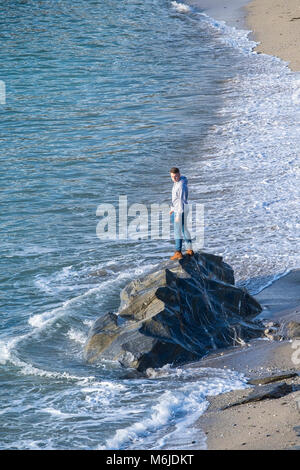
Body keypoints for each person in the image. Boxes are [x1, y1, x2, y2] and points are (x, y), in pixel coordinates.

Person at [169, 167, 194, 260]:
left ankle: (178, 252)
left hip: (180, 210)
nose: (174, 178)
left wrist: (178, 214)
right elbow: (176, 200)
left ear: (179, 174)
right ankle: (189, 250)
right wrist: (172, 208)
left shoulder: (180, 186)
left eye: (175, 176)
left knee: (177, 231)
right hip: (180, 209)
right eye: (172, 177)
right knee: (184, 229)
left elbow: (181, 201)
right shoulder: (180, 181)